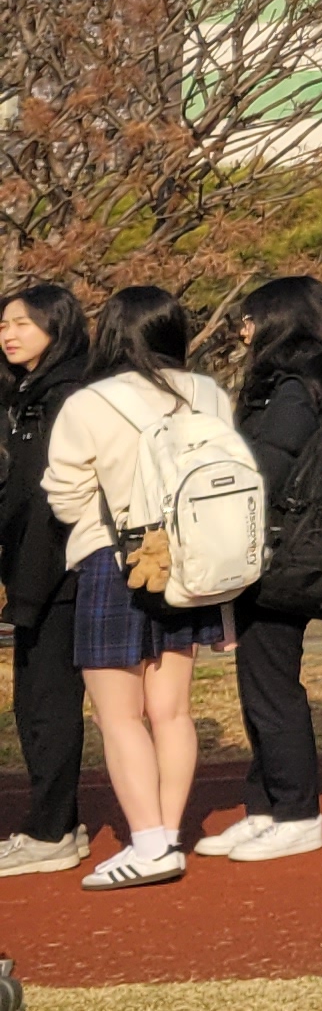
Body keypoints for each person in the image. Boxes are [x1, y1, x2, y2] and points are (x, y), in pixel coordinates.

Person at [39, 285, 239, 889]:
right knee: (172, 711)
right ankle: (170, 836)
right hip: (193, 559)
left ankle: (148, 843)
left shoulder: (89, 401)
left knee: (117, 715)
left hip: (115, 559)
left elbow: (64, 491)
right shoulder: (207, 392)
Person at [201, 276, 322, 865]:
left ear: (277, 321)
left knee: (270, 684)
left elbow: (265, 466)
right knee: (261, 681)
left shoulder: (293, 387)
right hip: (298, 547)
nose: (241, 330)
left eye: (248, 319)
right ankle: (265, 805)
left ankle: (296, 812)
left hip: (276, 549)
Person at [0, 283, 93, 878]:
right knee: (34, 699)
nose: (9, 334)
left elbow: (48, 502)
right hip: (35, 569)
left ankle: (52, 831)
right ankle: (62, 823)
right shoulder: (26, 393)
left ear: (57, 328)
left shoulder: (65, 396)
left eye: (23, 324)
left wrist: (26, 590)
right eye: (4, 324)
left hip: (61, 571)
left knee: (46, 702)